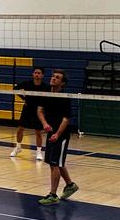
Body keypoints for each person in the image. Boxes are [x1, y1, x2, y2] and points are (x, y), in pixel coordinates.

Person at [37, 70, 79, 205]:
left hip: (61, 135)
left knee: (55, 163)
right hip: (51, 133)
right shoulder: (46, 93)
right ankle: (70, 185)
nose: (53, 79)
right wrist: (45, 124)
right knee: (54, 162)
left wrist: (57, 134)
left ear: (62, 83)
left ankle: (53, 195)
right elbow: (40, 111)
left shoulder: (64, 97)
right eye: (53, 76)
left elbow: (66, 119)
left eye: (57, 77)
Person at [12, 67, 48, 159]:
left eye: (39, 73)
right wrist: (23, 98)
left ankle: (39, 151)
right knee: (20, 128)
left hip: (38, 111)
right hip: (27, 109)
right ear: (33, 74)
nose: (37, 74)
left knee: (38, 132)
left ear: (42, 75)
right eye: (35, 73)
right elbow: (15, 88)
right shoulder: (27, 83)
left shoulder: (45, 87)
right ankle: (18, 147)